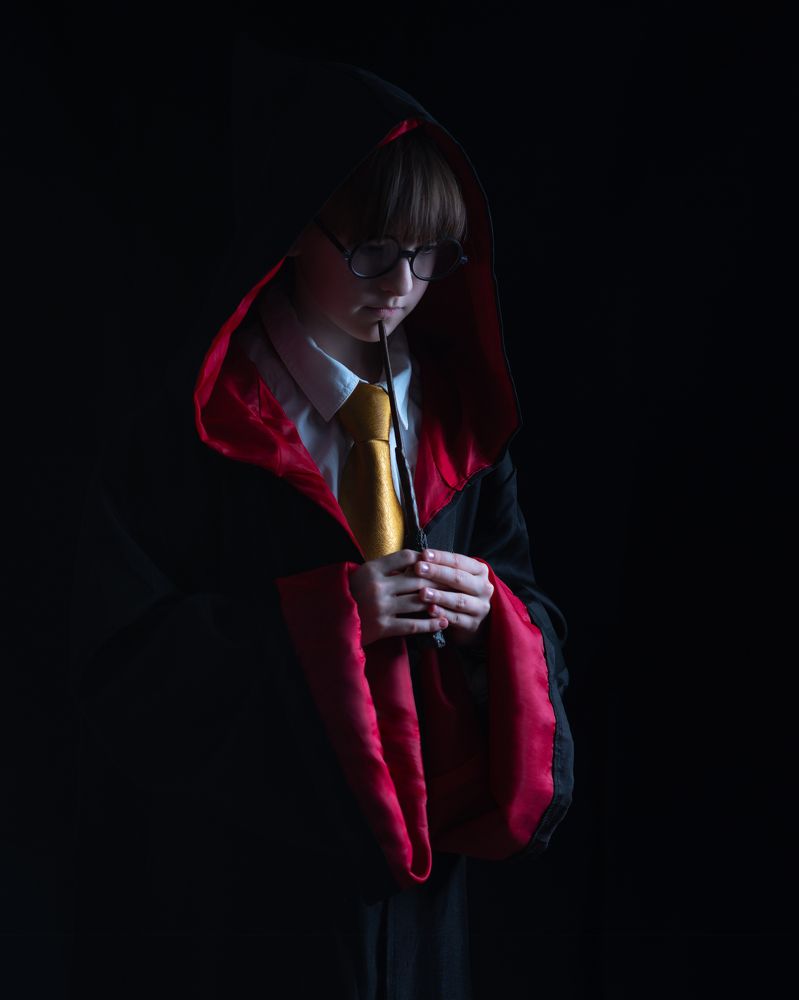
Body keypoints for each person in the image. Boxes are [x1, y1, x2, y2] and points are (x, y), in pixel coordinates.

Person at [68, 37, 574, 1000]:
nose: (402, 285)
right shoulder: (194, 430)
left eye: (430, 255)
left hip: (423, 912)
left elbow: (534, 618)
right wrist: (329, 619)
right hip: (247, 898)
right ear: (294, 227)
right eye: (373, 249)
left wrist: (495, 622)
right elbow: (117, 661)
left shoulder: (462, 428)